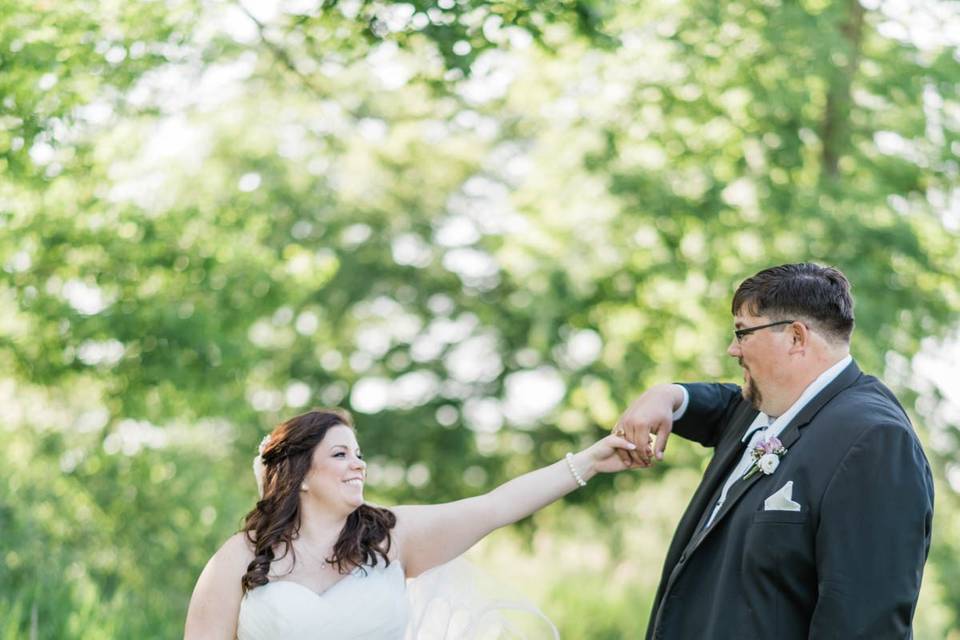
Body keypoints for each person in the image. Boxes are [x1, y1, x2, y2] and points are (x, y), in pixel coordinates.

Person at [615, 263, 934, 639]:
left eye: (742, 333)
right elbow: (724, 405)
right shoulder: (766, 407)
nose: (732, 349)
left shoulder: (875, 441)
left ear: (796, 337)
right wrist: (669, 396)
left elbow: (863, 626)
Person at [184, 407, 639, 639]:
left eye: (359, 455)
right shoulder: (242, 556)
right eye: (340, 454)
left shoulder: (391, 537)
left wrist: (590, 462)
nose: (358, 465)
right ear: (300, 474)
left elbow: (496, 506)